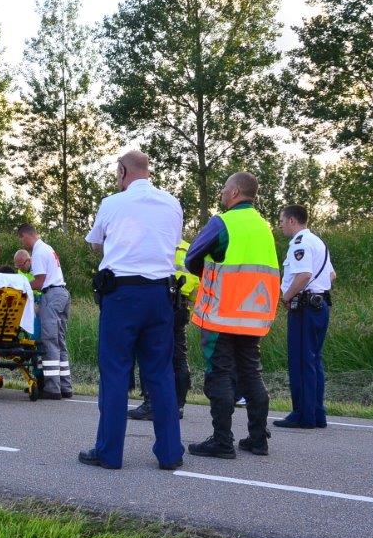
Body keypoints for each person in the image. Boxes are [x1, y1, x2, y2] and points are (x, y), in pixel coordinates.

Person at [79, 151, 184, 470]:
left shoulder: (112, 203)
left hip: (122, 295)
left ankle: (109, 453)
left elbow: (96, 244)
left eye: (117, 172)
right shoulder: (172, 203)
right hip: (160, 295)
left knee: (115, 373)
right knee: (161, 373)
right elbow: (173, 241)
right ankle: (170, 453)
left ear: (123, 171)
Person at [185, 172, 279, 458]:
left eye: (225, 189)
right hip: (254, 315)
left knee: (220, 374)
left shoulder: (223, 222)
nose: (222, 193)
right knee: (252, 373)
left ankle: (222, 441)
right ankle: (257, 439)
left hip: (221, 313)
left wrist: (210, 274)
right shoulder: (265, 227)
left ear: (236, 191)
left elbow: (191, 258)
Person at [275, 204, 336, 429]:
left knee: (300, 361)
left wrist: (287, 297)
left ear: (292, 220)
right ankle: (317, 413)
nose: (280, 224)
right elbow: (331, 274)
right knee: (313, 360)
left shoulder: (299, 244)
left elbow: (304, 274)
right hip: (319, 306)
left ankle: (302, 414)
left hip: (305, 308)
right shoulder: (319, 242)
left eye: (281, 220)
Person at [128, 239, 197, 420]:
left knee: (149, 352)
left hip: (161, 302)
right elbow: (197, 282)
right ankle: (178, 405)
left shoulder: (158, 243)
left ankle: (150, 403)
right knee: (179, 356)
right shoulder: (188, 248)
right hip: (182, 305)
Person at [17, 224, 72, 399]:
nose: (22, 243)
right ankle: (65, 386)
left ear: (25, 235)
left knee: (49, 341)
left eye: (21, 239)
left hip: (51, 294)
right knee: (60, 342)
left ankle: (52, 388)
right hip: (62, 293)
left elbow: (39, 282)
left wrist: (21, 286)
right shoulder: (48, 248)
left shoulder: (38, 252)